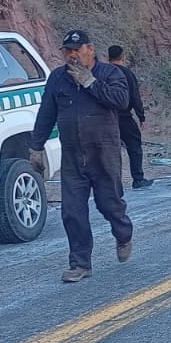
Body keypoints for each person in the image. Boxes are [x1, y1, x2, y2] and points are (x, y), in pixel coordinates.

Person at [31, 29, 134, 282]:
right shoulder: (57, 79)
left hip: (104, 152)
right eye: (67, 51)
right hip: (73, 155)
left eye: (77, 50)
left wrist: (90, 83)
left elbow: (122, 101)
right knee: (72, 210)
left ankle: (123, 234)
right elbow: (46, 113)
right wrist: (36, 146)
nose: (72, 55)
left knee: (109, 204)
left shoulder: (110, 73)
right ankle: (80, 263)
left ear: (90, 49)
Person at [107, 45, 154, 190]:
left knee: (109, 151)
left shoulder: (103, 72)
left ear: (108, 57)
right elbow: (135, 97)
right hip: (124, 117)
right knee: (134, 147)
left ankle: (112, 184)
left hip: (106, 119)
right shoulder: (127, 73)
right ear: (122, 57)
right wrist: (141, 117)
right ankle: (138, 179)